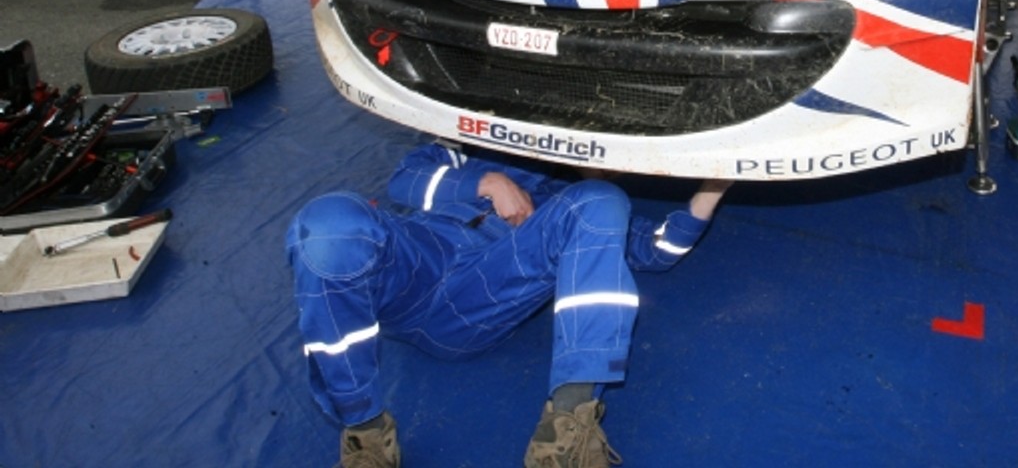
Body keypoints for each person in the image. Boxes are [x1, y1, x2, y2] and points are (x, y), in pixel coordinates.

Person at [287, 141, 731, 468]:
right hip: (413, 265)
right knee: (326, 225)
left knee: (602, 202)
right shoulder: (475, 147)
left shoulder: (573, 208)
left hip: (478, 299)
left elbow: (659, 250)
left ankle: (564, 437)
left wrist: (716, 183)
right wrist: (489, 181)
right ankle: (365, 434)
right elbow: (405, 180)